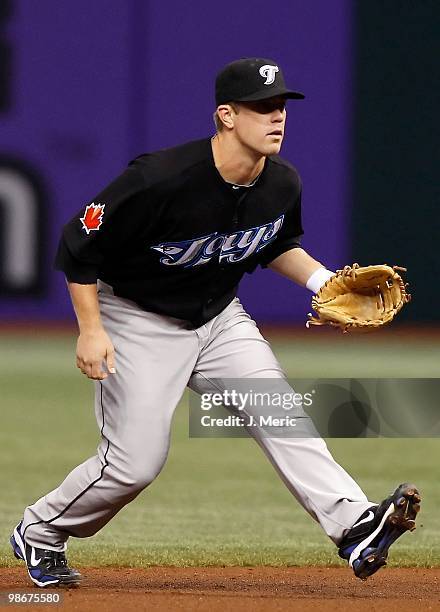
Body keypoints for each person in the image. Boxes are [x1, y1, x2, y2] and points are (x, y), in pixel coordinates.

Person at [10, 58, 420, 588]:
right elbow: (76, 246)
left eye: (280, 107)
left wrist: (322, 283)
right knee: (135, 464)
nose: (277, 117)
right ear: (226, 115)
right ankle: (41, 528)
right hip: (138, 319)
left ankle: (354, 527)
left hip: (219, 319)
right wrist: (91, 329)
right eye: (261, 107)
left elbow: (273, 241)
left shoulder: (282, 183)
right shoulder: (159, 180)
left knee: (280, 414)